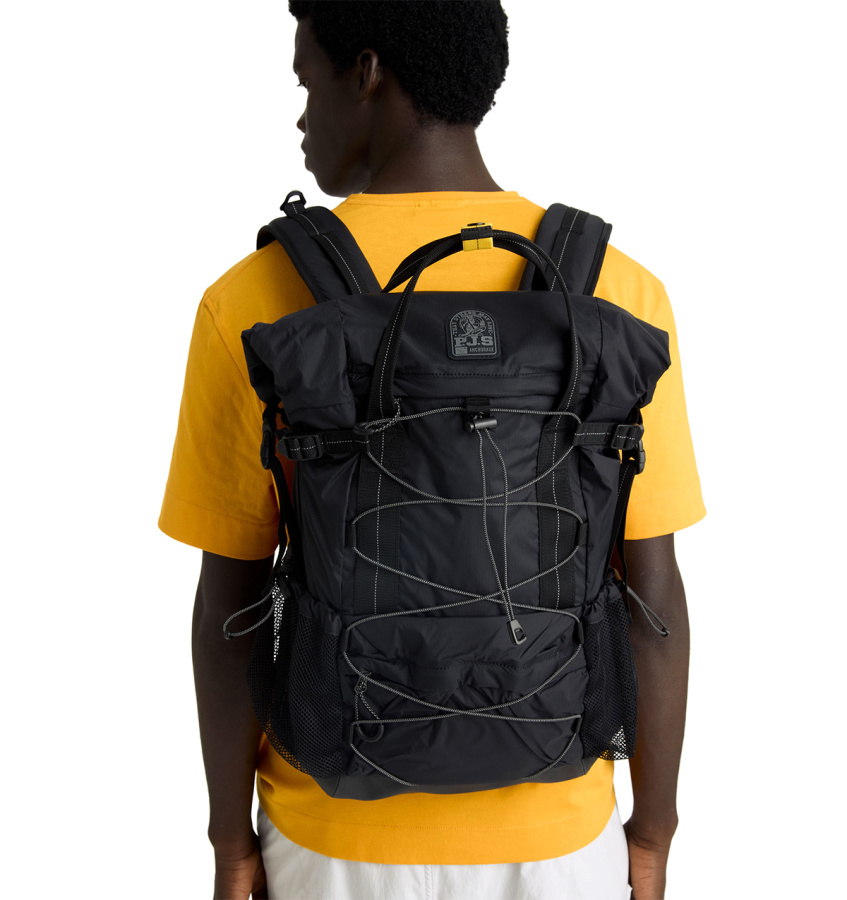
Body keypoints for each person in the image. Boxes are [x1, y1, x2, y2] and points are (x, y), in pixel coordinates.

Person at [159, 2, 704, 898]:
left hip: (332, 839)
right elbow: (653, 599)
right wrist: (653, 830)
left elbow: (232, 609)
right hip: (558, 837)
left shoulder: (254, 297)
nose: (301, 117)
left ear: (367, 73)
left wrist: (229, 840)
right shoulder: (617, 293)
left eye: (306, 83)